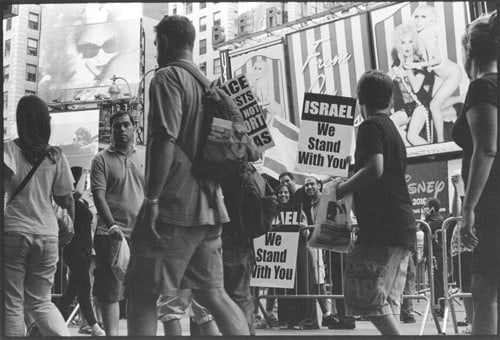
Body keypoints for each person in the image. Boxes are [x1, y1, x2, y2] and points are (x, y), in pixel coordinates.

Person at [125, 15, 250, 336]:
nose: (155, 50)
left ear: (165, 41)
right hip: (210, 209)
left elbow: (164, 139)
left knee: (141, 292)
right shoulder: (209, 86)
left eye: (156, 43)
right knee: (214, 294)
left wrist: (151, 199)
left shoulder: (167, 78)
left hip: (173, 208)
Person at [336, 70, 417, 335]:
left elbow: (375, 168)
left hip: (382, 227)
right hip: (399, 226)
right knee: (385, 300)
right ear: (390, 99)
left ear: (360, 100)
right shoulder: (392, 127)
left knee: (364, 295)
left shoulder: (369, 126)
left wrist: (343, 187)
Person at [3, 95, 74, 336]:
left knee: (12, 300)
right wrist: (69, 229)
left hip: (15, 230)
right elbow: (66, 199)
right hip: (48, 234)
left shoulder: (9, 150)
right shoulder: (57, 156)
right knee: (41, 301)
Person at [452, 11, 499, 335]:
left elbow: (486, 148)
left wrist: (468, 209)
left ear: (469, 50)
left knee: (484, 288)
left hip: (491, 203)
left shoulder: (482, 87)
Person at [90, 110, 144, 335]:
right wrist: (112, 226)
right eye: (116, 126)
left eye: (125, 125)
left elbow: (152, 193)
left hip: (141, 235)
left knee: (139, 290)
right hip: (110, 235)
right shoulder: (101, 159)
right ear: (110, 131)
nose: (121, 129)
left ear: (134, 128)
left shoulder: (144, 156)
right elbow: (98, 195)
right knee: (111, 290)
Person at [57, 166, 105, 336]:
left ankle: (54, 323)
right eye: (82, 181)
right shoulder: (70, 200)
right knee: (85, 286)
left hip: (84, 249)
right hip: (74, 248)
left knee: (72, 292)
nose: (85, 183)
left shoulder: (81, 202)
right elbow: (76, 192)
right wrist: (85, 172)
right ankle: (95, 326)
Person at [406, 4, 463, 143]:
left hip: (452, 74)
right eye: (417, 17)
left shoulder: (428, 34)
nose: (418, 20)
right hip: (440, 75)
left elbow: (437, 59)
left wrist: (416, 65)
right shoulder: (421, 35)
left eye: (423, 17)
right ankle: (440, 140)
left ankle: (441, 142)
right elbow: (429, 61)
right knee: (433, 106)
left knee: (433, 106)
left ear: (430, 20)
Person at [390, 24, 435, 146]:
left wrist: (407, 66)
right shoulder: (395, 65)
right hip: (405, 107)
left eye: (410, 42)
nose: (407, 46)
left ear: (414, 43)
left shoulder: (419, 62)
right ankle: (411, 155)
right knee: (391, 124)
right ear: (398, 45)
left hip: (421, 104)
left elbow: (416, 87)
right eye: (403, 42)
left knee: (412, 136)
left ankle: (433, 159)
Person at [449, 173, 473, 333]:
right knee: (465, 286)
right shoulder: (465, 197)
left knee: (472, 286)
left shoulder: (475, 198)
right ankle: (471, 321)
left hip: (471, 248)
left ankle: (474, 322)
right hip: (460, 250)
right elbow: (455, 213)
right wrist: (456, 190)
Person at [421, 198, 446, 316]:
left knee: (437, 281)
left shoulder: (438, 220)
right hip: (431, 254)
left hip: (437, 255)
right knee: (433, 281)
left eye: (426, 206)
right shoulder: (430, 220)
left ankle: (440, 307)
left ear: (432, 208)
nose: (424, 208)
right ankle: (436, 306)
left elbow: (424, 227)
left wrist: (423, 218)